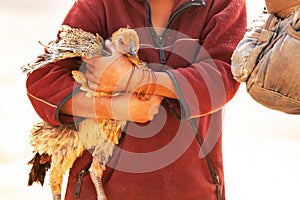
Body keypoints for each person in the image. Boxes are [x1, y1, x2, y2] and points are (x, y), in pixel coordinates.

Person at [25, 0, 246, 199]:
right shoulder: (100, 4)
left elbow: (221, 78)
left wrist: (136, 79)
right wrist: (117, 107)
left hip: (191, 188)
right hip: (99, 190)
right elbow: (42, 82)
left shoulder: (222, 3)